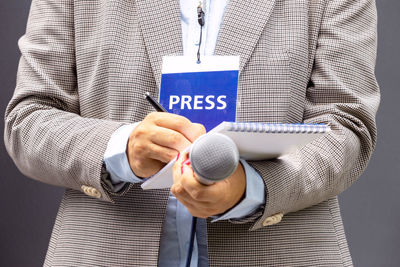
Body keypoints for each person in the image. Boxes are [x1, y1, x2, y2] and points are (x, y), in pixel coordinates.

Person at [4, 0, 380, 266]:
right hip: (103, 250)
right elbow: (29, 119)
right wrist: (122, 147)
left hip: (279, 251)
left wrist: (251, 187)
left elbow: (346, 127)